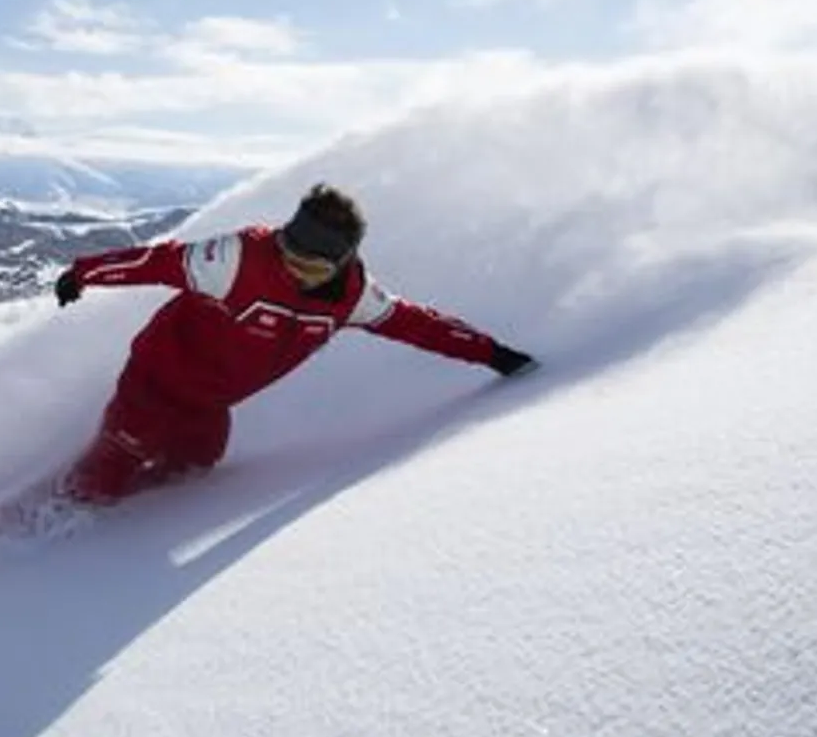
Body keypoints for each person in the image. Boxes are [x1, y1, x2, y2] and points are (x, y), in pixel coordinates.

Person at [42, 182, 536, 509]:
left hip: (211, 405)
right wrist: (83, 273)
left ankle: (122, 523)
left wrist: (494, 355)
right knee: (108, 472)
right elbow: (154, 261)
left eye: (313, 267)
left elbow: (420, 326)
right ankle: (55, 515)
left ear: (342, 263)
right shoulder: (236, 258)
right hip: (156, 380)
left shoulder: (353, 299)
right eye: (289, 254)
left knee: (191, 473)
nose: (296, 270)